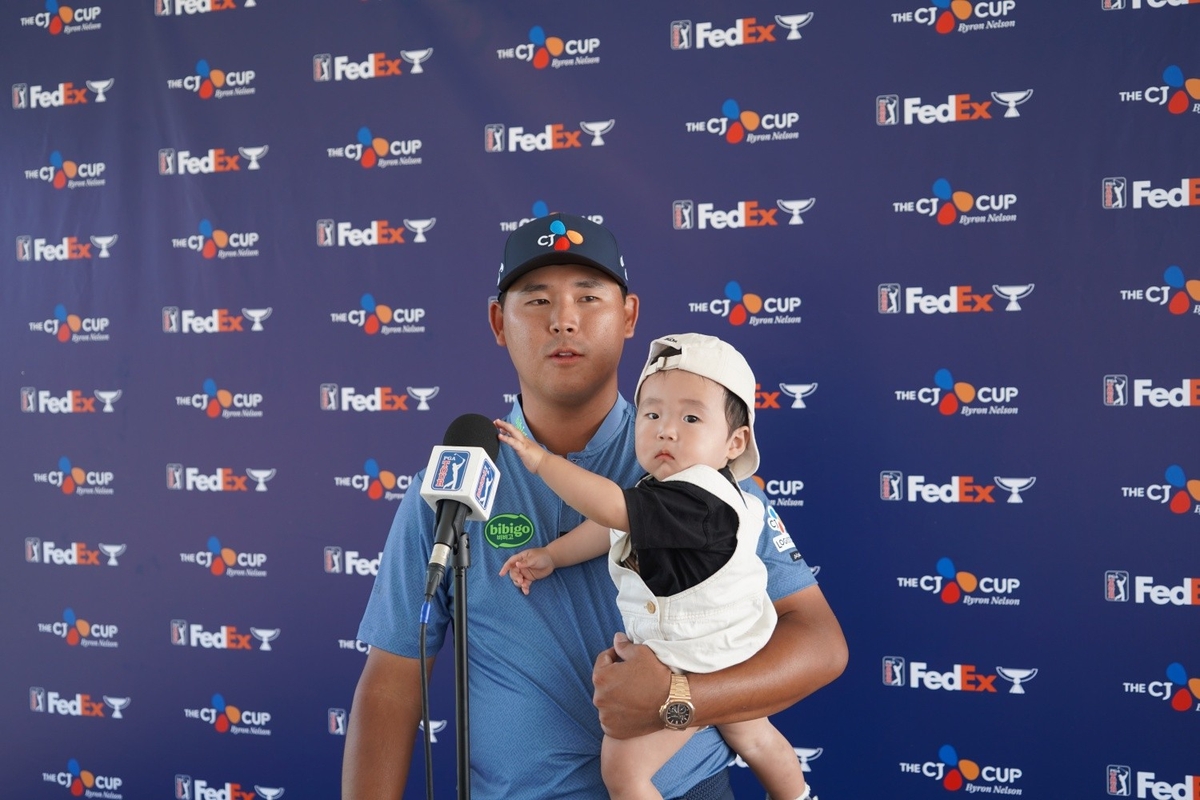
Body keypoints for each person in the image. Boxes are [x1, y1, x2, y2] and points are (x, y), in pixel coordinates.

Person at [342, 213, 847, 799]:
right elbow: (392, 681)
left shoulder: (697, 467)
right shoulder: (453, 482)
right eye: (537, 300)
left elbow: (819, 645)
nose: (564, 319)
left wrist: (678, 701)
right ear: (498, 322)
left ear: (628, 316)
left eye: (588, 297)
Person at [496, 332, 813, 800]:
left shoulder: (702, 498)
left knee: (623, 771)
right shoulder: (664, 494)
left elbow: (612, 509)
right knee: (755, 737)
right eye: (652, 414)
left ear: (734, 442)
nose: (666, 430)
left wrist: (542, 462)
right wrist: (553, 555)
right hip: (726, 648)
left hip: (697, 659)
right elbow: (614, 526)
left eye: (690, 418)